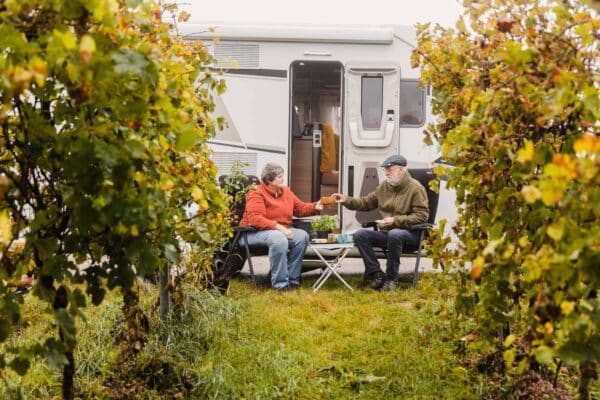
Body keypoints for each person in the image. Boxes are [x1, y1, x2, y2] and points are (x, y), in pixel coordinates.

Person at [332, 155, 429, 291]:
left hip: (412, 236)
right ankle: (376, 274)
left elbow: (422, 217)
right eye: (385, 170)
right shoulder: (385, 186)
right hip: (390, 234)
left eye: (389, 169)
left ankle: (391, 279)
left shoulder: (416, 188)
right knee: (361, 235)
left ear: (401, 170)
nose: (386, 173)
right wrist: (346, 199)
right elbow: (366, 203)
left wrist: (395, 220)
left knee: (395, 234)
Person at [239, 162, 323, 291]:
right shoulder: (256, 193)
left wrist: (314, 206)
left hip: (278, 232)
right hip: (252, 233)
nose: (283, 179)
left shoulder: (286, 191)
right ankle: (280, 285)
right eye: (279, 177)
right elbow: (255, 219)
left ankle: (292, 280)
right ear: (269, 179)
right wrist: (279, 227)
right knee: (278, 238)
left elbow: (299, 208)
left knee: (302, 236)